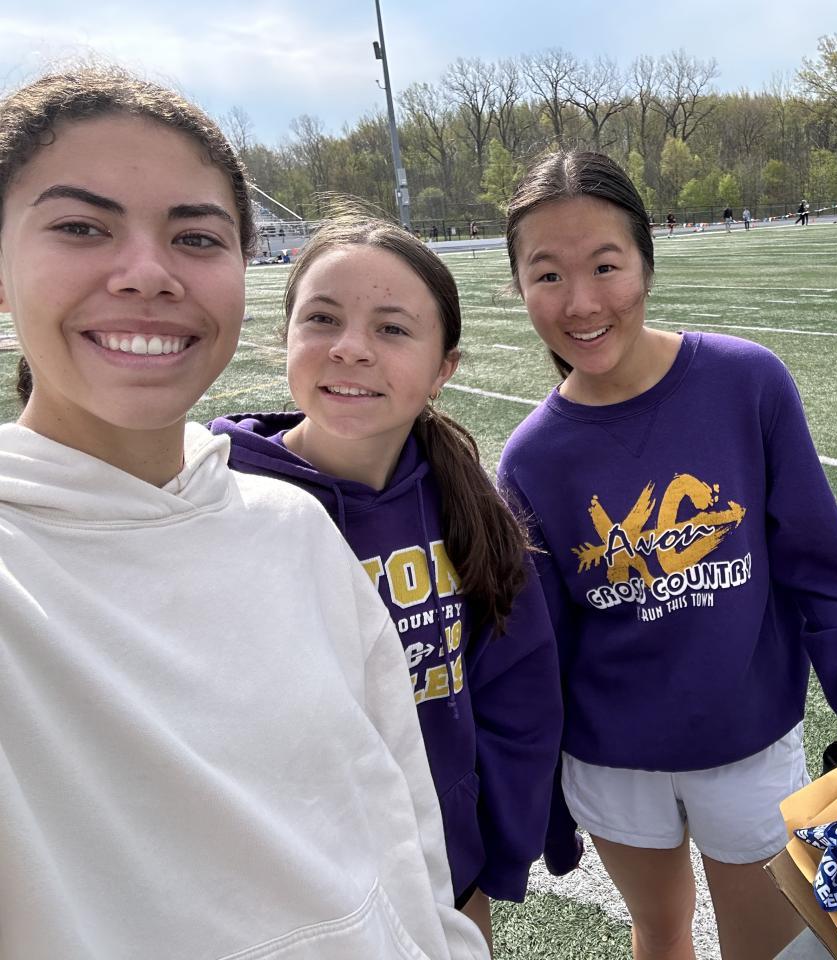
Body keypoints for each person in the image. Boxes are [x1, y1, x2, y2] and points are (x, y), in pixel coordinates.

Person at [0, 68, 487, 959]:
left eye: (195, 237)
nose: (147, 274)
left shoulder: (292, 528)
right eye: (80, 227)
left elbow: (401, 818)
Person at [496, 150, 837, 960]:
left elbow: (819, 568)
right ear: (518, 286)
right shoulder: (531, 459)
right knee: (659, 931)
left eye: (605, 265)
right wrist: (544, 798)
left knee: (766, 952)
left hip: (748, 748)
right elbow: (541, 653)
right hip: (613, 764)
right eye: (547, 275)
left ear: (646, 262)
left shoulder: (747, 384)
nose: (581, 302)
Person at [210, 210, 562, 949]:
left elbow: (516, 688)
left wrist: (495, 845)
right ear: (285, 337)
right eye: (322, 319)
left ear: (443, 370)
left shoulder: (471, 508)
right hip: (284, 888)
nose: (349, 348)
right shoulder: (216, 500)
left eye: (393, 329)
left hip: (444, 870)